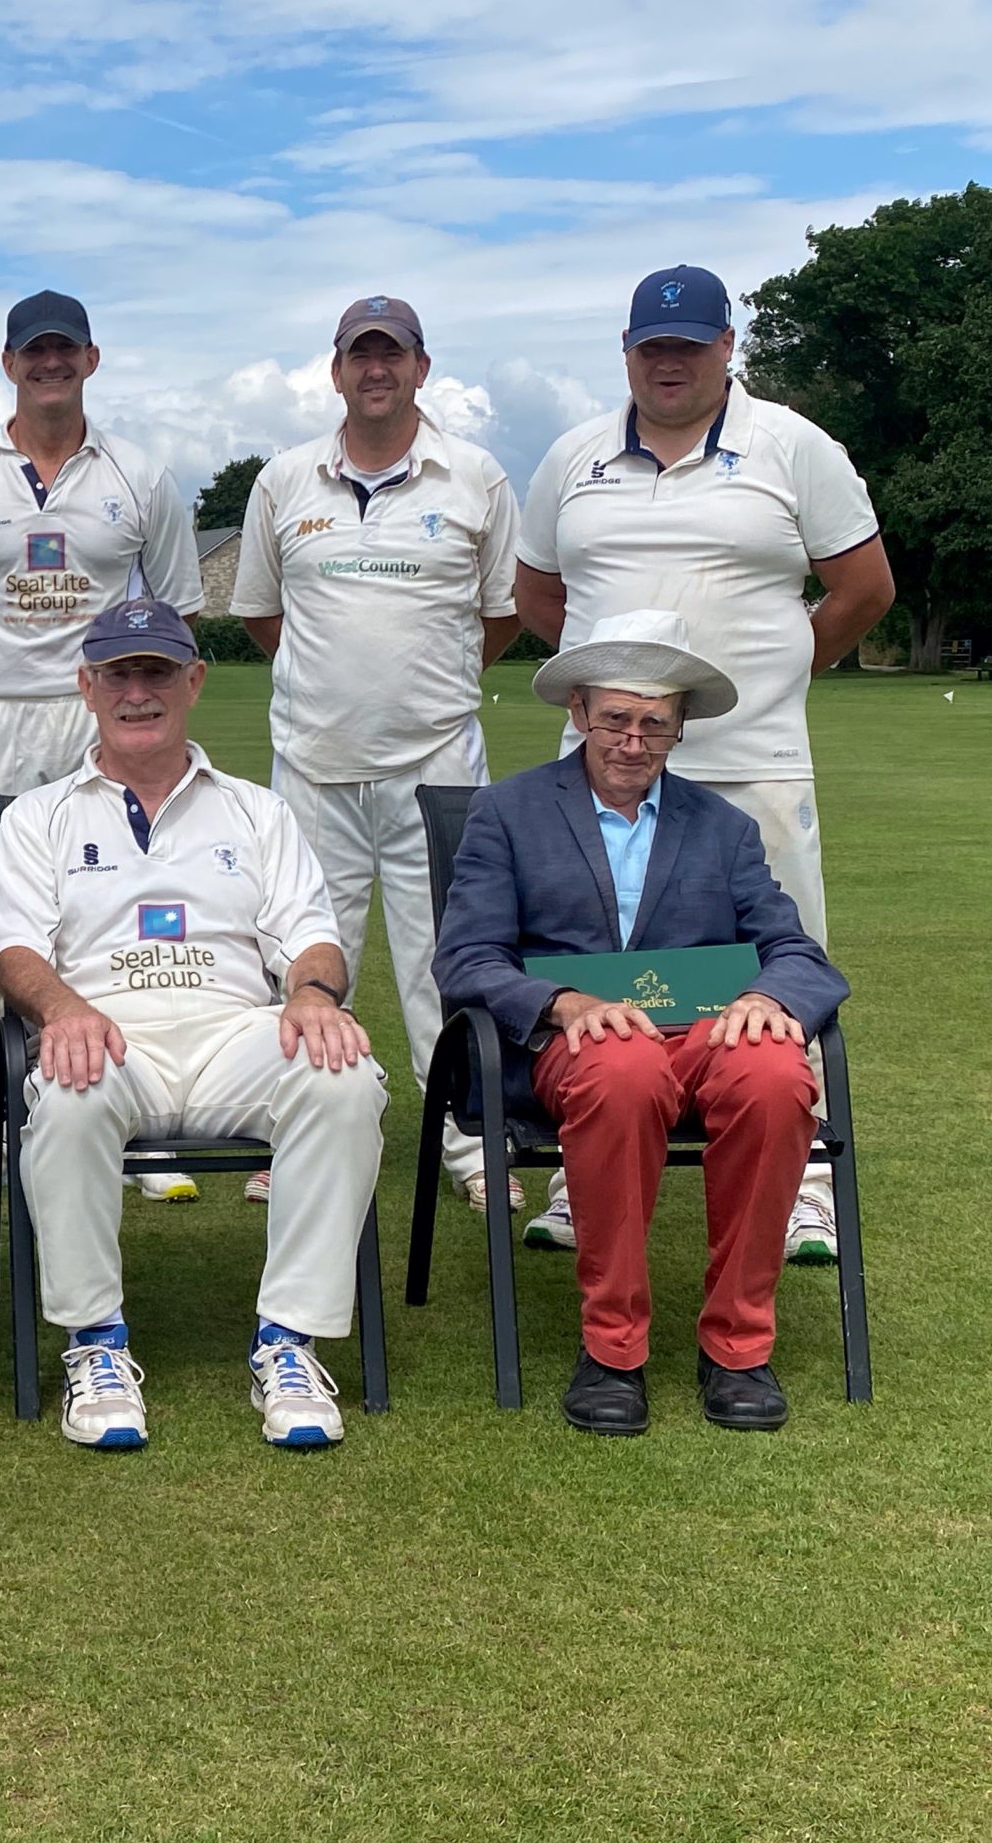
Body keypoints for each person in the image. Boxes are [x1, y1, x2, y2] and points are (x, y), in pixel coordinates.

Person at [512, 265, 892, 1263]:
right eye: (651, 348)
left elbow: (863, 588)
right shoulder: (573, 457)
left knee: (781, 965)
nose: (668, 364)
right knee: (592, 954)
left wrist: (769, 677)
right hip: (603, 765)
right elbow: (539, 597)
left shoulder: (794, 447)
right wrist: (618, 695)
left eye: (688, 346)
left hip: (752, 757)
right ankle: (577, 1173)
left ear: (727, 346)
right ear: (627, 352)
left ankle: (803, 1182)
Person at [433, 611, 849, 1435]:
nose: (633, 741)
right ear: (580, 711)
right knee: (623, 1067)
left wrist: (771, 999)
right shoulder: (507, 812)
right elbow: (467, 956)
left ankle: (738, 1346)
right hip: (573, 1043)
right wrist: (561, 1002)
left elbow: (796, 950)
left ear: (681, 726)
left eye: (655, 724)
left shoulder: (723, 827)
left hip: (701, 1037)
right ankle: (613, 1348)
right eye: (616, 719)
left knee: (775, 1073)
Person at [0, 597, 386, 1453]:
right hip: (107, 1031)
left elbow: (313, 937)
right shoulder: (38, 816)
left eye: (157, 672)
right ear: (87, 686)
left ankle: (289, 1342)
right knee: (70, 1089)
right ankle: (95, 1344)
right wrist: (62, 1009)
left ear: (194, 681)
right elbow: (14, 951)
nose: (138, 692)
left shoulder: (257, 811)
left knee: (345, 1078)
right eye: (118, 674)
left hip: (235, 1029)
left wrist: (313, 995)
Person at [0, 290, 206, 1203]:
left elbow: (176, 615)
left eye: (65, 350)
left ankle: (132, 1118)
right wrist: (9, 666)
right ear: (9, 363)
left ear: (90, 358)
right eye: (33, 351)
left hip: (106, 713)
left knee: (119, 907)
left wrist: (99, 685)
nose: (50, 364)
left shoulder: (140, 478)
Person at [234, 295, 522, 1215]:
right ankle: (296, 1133)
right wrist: (337, 690)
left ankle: (470, 1140)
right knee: (302, 958)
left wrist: (421, 690)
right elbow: (264, 615)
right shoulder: (285, 480)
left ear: (420, 368)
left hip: (438, 767)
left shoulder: (475, 477)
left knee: (450, 959)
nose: (376, 370)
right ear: (336, 371)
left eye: (392, 354)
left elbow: (500, 615)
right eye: (360, 354)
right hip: (313, 765)